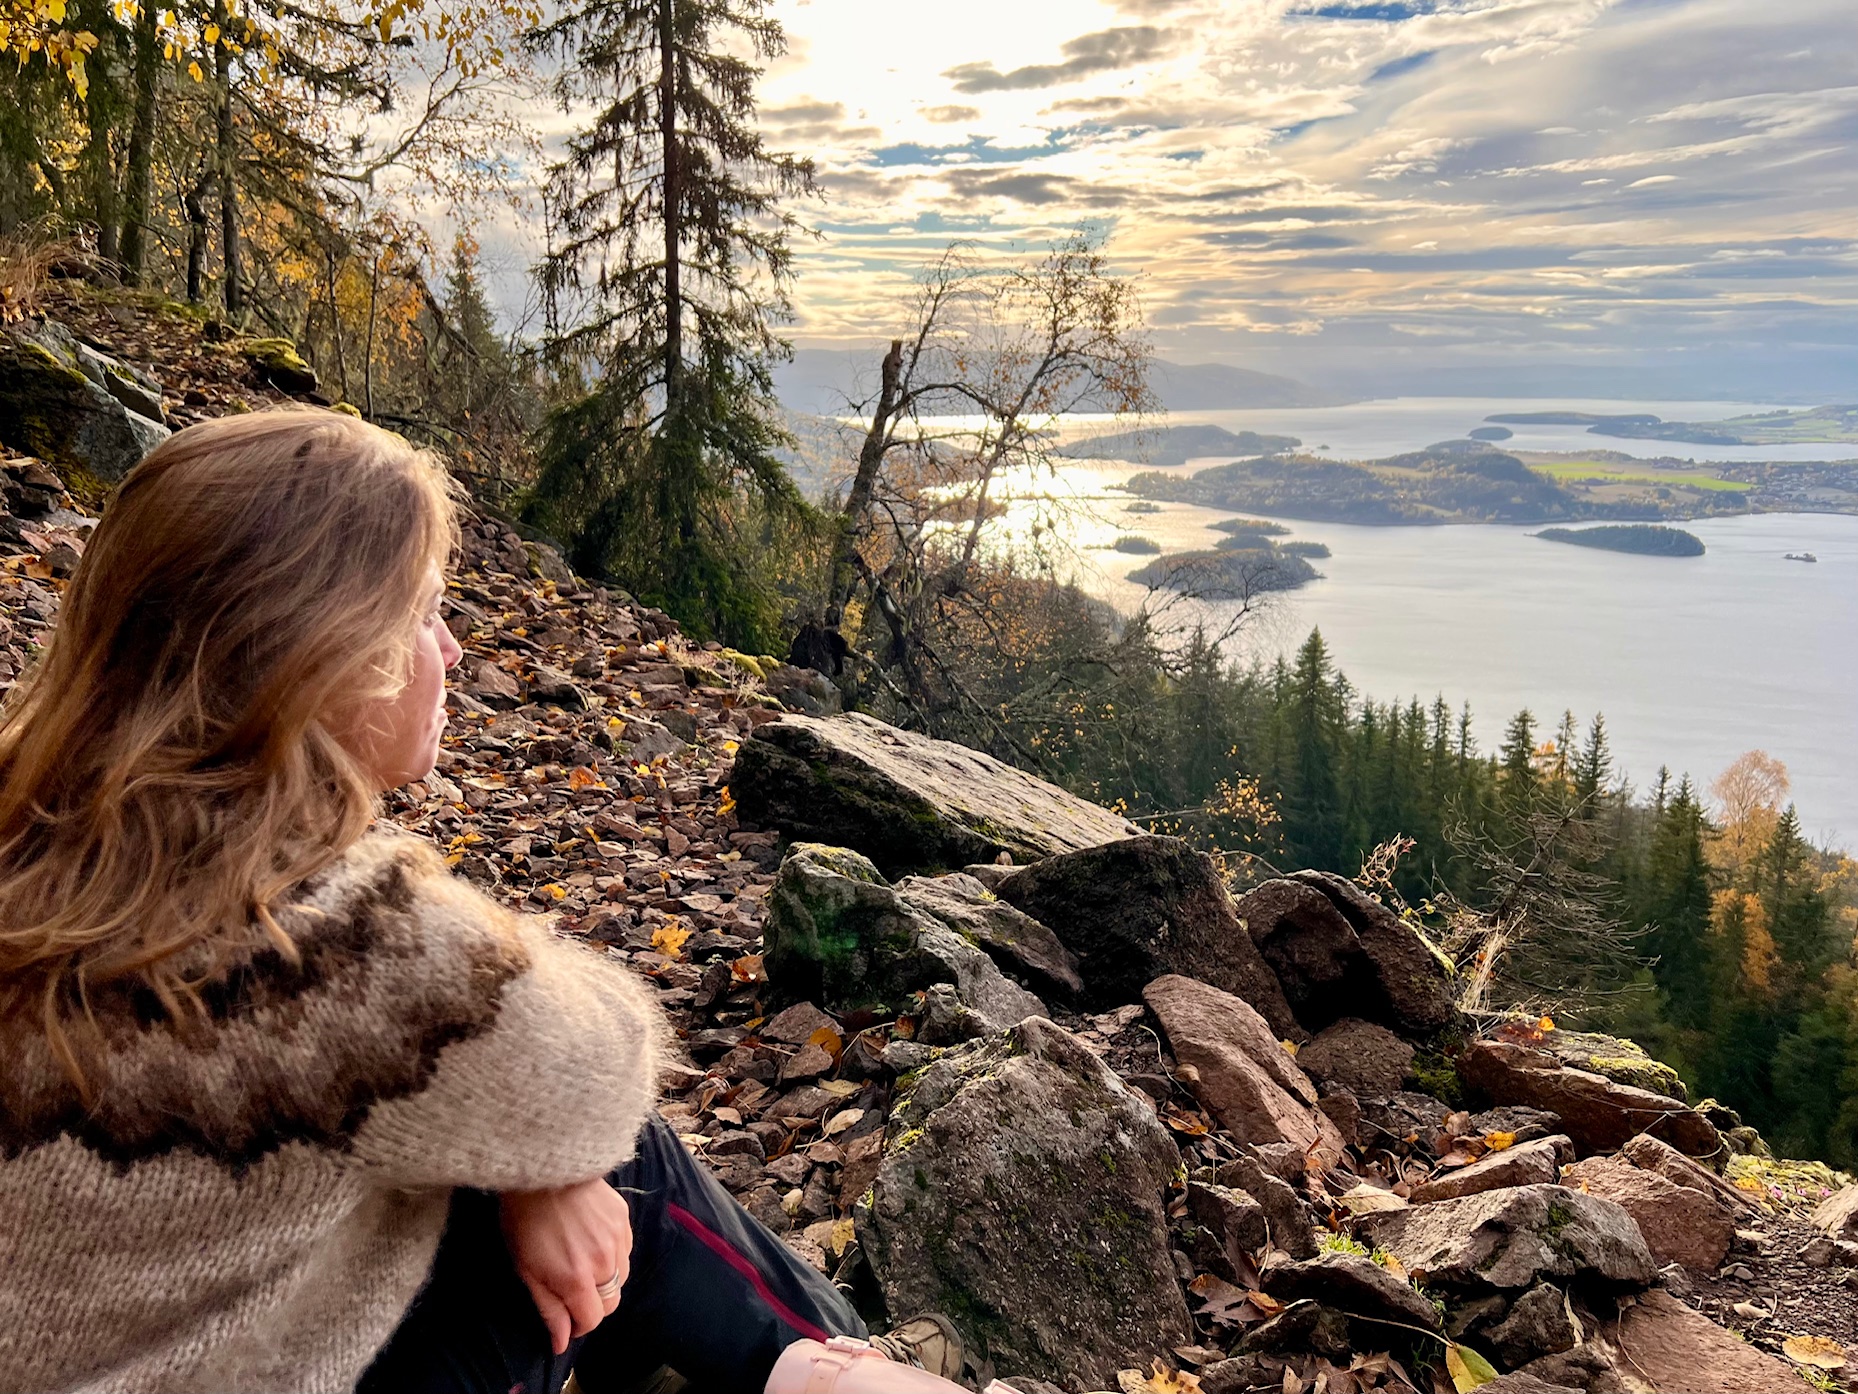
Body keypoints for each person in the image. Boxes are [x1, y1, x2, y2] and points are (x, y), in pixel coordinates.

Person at [0, 410, 995, 1394]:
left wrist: (537, 1162)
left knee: (513, 1151)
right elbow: (605, 1055)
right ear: (327, 658)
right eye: (425, 614)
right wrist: (552, 1169)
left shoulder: (36, 838)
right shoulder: (327, 943)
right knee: (614, 1167)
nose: (454, 651)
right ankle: (830, 1371)